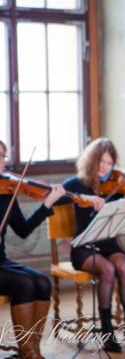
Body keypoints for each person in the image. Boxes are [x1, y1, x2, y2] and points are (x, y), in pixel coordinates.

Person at [59, 137, 125, 353]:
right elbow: (55, 197)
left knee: (122, 267)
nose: (105, 167)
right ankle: (107, 333)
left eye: (109, 163)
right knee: (108, 270)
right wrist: (81, 196)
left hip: (109, 245)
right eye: (101, 162)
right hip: (84, 247)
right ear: (91, 161)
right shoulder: (77, 183)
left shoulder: (117, 186)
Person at [0, 140, 66, 359]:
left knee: (42, 282)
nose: (1, 162)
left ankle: (31, 351)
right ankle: (29, 354)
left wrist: (47, 204)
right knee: (25, 283)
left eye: (3, 156)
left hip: (1, 262)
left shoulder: (7, 190)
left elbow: (23, 230)